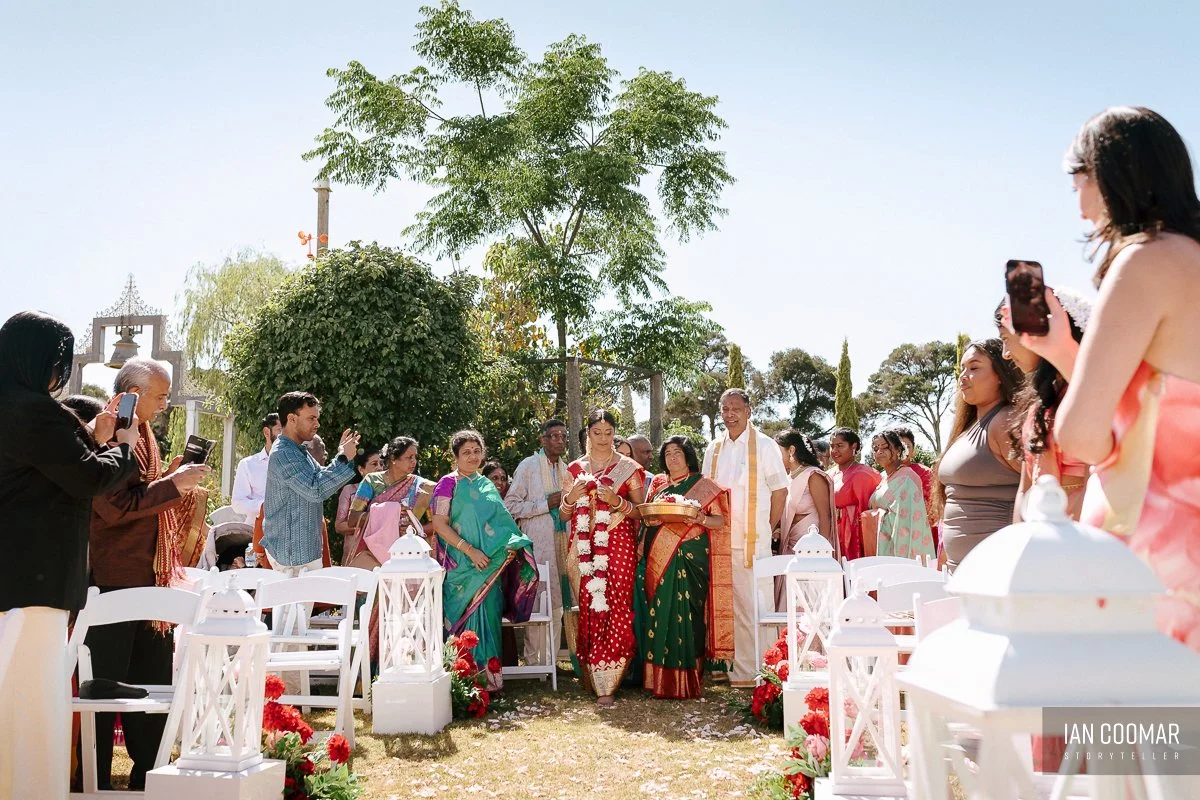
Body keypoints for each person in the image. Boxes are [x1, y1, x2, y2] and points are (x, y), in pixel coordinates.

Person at [1035, 107, 1200, 652]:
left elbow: (1082, 433)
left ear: (1109, 175)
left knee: (1121, 730)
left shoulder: (1143, 264)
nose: (1079, 204)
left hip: (1151, 555)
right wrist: (1063, 352)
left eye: (1079, 179)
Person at [0, 311, 139, 800]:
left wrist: (90, 439)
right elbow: (88, 479)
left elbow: (42, 471)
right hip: (33, 578)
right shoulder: (34, 409)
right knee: (31, 702)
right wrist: (123, 445)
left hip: (12, 575)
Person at [86, 357, 212, 791]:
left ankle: (149, 773)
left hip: (150, 575)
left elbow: (141, 490)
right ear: (133, 394)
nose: (165, 405)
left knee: (151, 677)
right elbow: (113, 506)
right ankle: (95, 777)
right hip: (113, 576)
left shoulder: (140, 430)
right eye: (160, 396)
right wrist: (173, 485)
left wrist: (174, 478)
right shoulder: (107, 429)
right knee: (101, 686)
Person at [428, 430, 538, 691]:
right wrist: (470, 551)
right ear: (455, 456)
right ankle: (460, 685)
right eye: (466, 452)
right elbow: (440, 525)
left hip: (489, 567)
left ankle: (488, 685)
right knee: (459, 622)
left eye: (477, 451)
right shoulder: (448, 484)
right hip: (460, 569)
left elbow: (502, 524)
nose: (473, 456)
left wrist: (511, 546)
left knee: (488, 620)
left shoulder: (487, 485)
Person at [701, 389, 788, 687]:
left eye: (736, 408)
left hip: (752, 540)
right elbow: (705, 492)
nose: (730, 413)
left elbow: (780, 490)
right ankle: (728, 666)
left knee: (754, 605)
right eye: (725, 408)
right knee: (723, 604)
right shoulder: (713, 448)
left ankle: (758, 670)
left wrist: (768, 526)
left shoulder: (764, 446)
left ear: (749, 411)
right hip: (719, 538)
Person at [561, 409, 647, 704]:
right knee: (590, 605)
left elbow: (641, 513)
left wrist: (617, 502)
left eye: (608, 433)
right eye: (596, 433)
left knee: (617, 604)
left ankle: (611, 680)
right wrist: (572, 497)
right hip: (583, 547)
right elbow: (563, 513)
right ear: (587, 434)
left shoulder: (629, 467)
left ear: (614, 433)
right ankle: (595, 677)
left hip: (618, 543)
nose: (602, 439)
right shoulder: (574, 469)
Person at [638, 436, 733, 699]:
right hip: (661, 560)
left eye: (677, 452)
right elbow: (648, 521)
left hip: (692, 559)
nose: (672, 458)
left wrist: (699, 516)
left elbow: (719, 522)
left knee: (688, 616)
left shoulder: (703, 486)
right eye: (667, 453)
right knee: (661, 613)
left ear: (688, 456)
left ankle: (688, 681)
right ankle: (659, 681)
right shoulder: (658, 488)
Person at [997, 292, 1093, 522]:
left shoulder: (1093, 394)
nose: (1005, 354)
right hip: (1038, 532)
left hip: (1085, 530)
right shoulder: (1034, 408)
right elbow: (1024, 488)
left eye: (1006, 338)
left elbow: (1097, 478)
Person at [934, 339, 1022, 573]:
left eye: (974, 368)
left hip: (997, 570)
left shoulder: (1004, 422)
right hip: (963, 572)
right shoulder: (969, 426)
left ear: (1001, 375)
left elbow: (1037, 485)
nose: (963, 376)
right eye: (962, 369)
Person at [261, 392, 358, 575]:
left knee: (298, 605)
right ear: (291, 419)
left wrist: (341, 455)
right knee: (293, 605)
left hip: (300, 554)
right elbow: (315, 490)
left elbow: (319, 478)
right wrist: (344, 457)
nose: (317, 424)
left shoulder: (297, 451)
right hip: (292, 557)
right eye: (311, 418)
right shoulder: (284, 453)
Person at [504, 419, 571, 669]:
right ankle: (533, 663)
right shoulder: (529, 466)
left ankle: (551, 664)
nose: (560, 440)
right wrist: (546, 504)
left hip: (562, 541)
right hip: (537, 544)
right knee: (537, 601)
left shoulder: (569, 471)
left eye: (563, 436)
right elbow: (511, 505)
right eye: (554, 436)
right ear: (542, 439)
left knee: (557, 605)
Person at [345, 436, 433, 569]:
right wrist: (390, 514)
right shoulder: (372, 481)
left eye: (415, 457)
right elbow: (353, 519)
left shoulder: (424, 487)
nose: (414, 461)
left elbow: (436, 524)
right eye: (409, 457)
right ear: (393, 459)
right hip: (372, 552)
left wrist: (413, 530)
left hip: (407, 553)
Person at [772, 429, 836, 609]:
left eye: (779, 452)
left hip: (812, 548)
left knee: (809, 600)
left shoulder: (813, 475)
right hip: (789, 545)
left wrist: (822, 555)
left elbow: (825, 516)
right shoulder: (786, 478)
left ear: (791, 451)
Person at [866, 430, 935, 560]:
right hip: (882, 544)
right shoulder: (883, 477)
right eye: (875, 448)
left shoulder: (907, 477)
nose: (879, 452)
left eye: (885, 447)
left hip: (900, 548)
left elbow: (908, 522)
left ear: (898, 450)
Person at [830, 428, 881, 561]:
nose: (834, 450)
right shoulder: (828, 474)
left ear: (854, 446)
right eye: (832, 446)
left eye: (840, 446)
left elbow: (867, 513)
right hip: (831, 532)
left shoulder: (864, 474)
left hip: (853, 537)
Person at [231, 413, 282, 524]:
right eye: (280, 430)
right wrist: (265, 505)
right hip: (255, 533)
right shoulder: (248, 465)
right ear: (266, 432)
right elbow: (237, 504)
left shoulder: (296, 463)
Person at [892, 427, 938, 548]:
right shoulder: (884, 477)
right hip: (892, 533)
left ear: (913, 449)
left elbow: (932, 510)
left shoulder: (925, 474)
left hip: (920, 532)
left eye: (907, 446)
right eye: (899, 446)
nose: (903, 450)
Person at [335, 446, 382, 561]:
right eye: (374, 464)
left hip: (380, 554)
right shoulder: (350, 491)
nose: (380, 468)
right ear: (361, 469)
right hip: (354, 555)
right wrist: (368, 522)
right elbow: (339, 526)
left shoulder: (388, 492)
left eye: (381, 464)